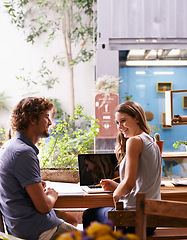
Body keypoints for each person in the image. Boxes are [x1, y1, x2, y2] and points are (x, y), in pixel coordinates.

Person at [0, 97, 77, 240]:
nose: (50, 122)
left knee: (72, 220)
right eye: (46, 117)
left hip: (17, 226)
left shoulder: (8, 147)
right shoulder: (24, 152)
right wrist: (52, 195)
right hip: (38, 229)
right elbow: (43, 207)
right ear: (32, 119)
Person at [82, 101, 162, 235]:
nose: (120, 127)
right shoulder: (151, 141)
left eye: (123, 121)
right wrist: (116, 186)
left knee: (89, 215)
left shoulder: (134, 141)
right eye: (117, 123)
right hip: (151, 219)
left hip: (133, 219)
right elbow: (141, 182)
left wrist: (116, 194)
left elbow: (129, 183)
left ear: (136, 118)